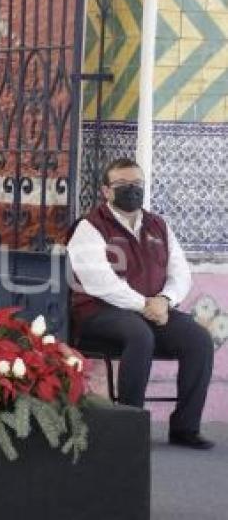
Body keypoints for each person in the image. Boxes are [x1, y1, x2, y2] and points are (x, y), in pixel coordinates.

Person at [68, 158, 214, 449]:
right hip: (99, 314)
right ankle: (129, 428)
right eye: (122, 185)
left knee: (199, 339)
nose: (131, 190)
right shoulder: (89, 227)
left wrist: (165, 300)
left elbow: (180, 273)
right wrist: (146, 304)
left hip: (152, 311)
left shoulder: (159, 225)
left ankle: (185, 428)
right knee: (139, 335)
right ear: (106, 191)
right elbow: (100, 282)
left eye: (137, 184)